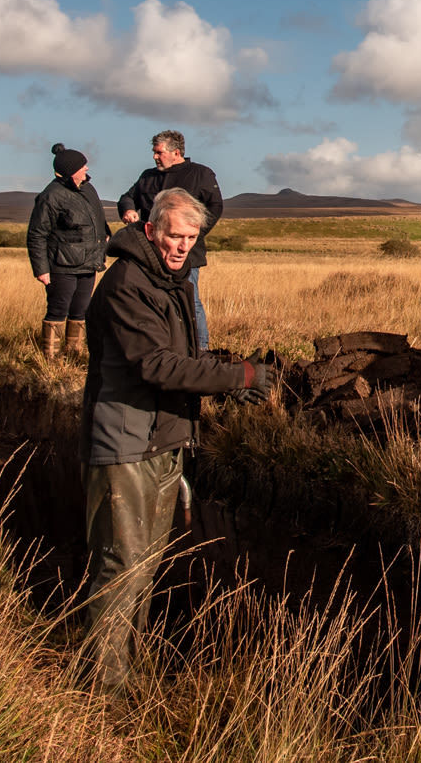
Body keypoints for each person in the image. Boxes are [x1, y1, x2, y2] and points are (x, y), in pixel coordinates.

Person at [80, 188, 271, 692]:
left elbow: (184, 357)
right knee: (122, 566)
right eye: (174, 235)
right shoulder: (128, 283)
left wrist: (233, 377)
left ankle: (128, 673)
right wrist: (239, 377)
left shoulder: (170, 282)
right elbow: (157, 365)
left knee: (144, 566)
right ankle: (104, 689)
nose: (183, 245)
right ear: (150, 230)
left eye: (191, 237)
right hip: (124, 444)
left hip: (162, 441)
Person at [116, 130, 224, 349]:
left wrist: (190, 236)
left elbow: (215, 206)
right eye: (154, 152)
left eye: (159, 152)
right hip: (150, 253)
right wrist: (128, 210)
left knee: (189, 300)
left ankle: (200, 348)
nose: (155, 156)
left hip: (185, 253)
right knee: (153, 299)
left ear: (176, 153)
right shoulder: (147, 176)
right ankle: (160, 345)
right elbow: (127, 197)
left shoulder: (200, 174)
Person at [26, 143, 108, 361]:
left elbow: (98, 219)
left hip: (88, 263)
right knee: (58, 310)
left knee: (81, 310)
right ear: (71, 171)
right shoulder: (51, 196)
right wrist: (41, 269)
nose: (86, 169)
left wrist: (105, 239)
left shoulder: (88, 189)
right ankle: (50, 360)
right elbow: (37, 235)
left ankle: (73, 355)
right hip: (61, 265)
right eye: (82, 166)